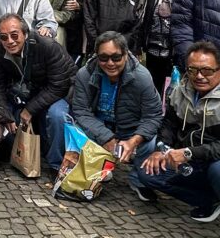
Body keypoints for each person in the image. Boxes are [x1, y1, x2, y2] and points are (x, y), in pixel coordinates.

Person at [138, 42, 220, 238]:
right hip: (198, 159)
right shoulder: (180, 91)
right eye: (193, 70)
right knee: (148, 172)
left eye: (207, 70)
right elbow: (169, 126)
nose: (199, 76)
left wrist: (188, 153)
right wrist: (161, 148)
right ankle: (213, 200)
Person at [69, 31, 161, 198]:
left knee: (151, 140)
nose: (110, 63)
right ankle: (93, 168)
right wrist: (107, 137)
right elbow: (81, 111)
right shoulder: (85, 73)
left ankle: (138, 180)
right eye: (103, 58)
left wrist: (134, 141)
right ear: (96, 57)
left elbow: (153, 116)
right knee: (73, 128)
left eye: (116, 57)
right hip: (99, 127)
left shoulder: (142, 77)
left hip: (129, 129)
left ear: (126, 55)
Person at [0, 14, 75, 171]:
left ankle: (57, 165)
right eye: (4, 37)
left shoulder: (47, 46)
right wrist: (5, 114)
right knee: (0, 115)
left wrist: (30, 110)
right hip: (25, 92)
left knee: (57, 116)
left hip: (57, 91)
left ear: (25, 33)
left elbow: (59, 85)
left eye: (14, 35)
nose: (10, 41)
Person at [135, 0, 189, 95]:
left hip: (179, 53)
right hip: (153, 52)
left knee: (177, 93)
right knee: (153, 91)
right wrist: (139, 45)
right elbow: (143, 18)